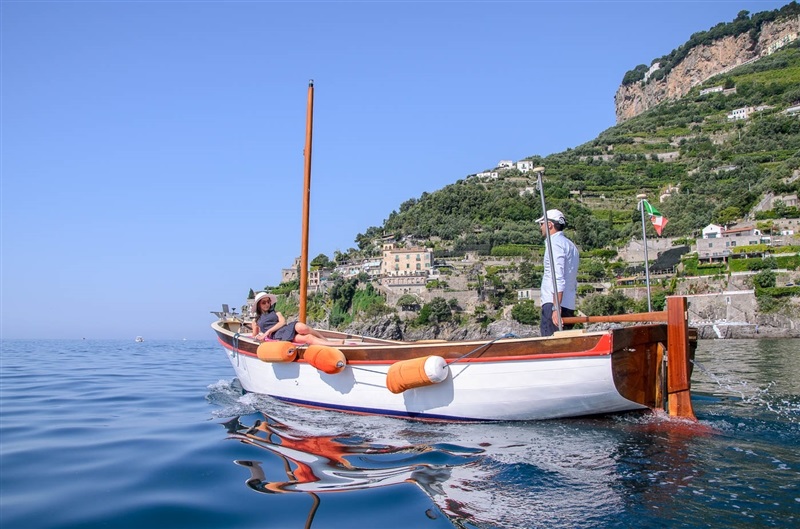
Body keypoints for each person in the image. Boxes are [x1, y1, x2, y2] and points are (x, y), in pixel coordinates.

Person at [537, 209, 579, 337]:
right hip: (568, 304)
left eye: (541, 224)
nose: (540, 227)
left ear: (549, 225)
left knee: (551, 346)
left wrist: (556, 308)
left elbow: (557, 277)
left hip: (554, 305)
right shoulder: (571, 245)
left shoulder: (554, 244)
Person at [251, 292, 341, 346]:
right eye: (264, 302)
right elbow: (254, 336)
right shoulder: (255, 321)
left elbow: (282, 322)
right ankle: (333, 344)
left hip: (285, 328)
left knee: (302, 327)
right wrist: (259, 336)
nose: (267, 304)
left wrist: (267, 332)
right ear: (259, 305)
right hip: (278, 335)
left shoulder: (276, 313)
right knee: (308, 338)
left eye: (268, 301)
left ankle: (325, 340)